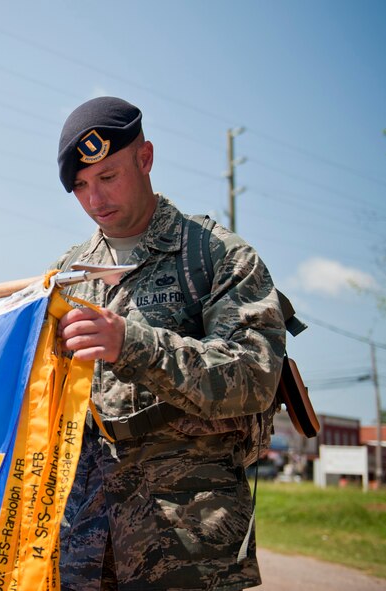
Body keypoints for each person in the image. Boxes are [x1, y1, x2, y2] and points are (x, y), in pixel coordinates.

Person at [53, 97, 286, 590]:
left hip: (186, 538)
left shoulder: (216, 255)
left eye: (108, 176)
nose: (95, 199)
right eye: (80, 185)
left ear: (145, 158)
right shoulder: (67, 274)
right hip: (85, 542)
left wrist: (133, 345)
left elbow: (253, 377)